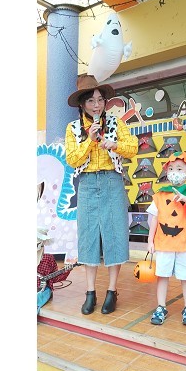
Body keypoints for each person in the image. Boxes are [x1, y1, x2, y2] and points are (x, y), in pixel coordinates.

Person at [65, 74, 138, 315]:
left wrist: (114, 144)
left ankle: (111, 291)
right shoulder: (73, 128)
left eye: (100, 100)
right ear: (82, 104)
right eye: (91, 101)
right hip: (87, 184)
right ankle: (90, 292)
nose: (97, 105)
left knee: (115, 234)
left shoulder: (117, 123)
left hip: (112, 181)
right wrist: (90, 140)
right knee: (88, 236)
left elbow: (133, 148)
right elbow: (72, 159)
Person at [146, 152, 186, 326]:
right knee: (162, 276)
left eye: (179, 169)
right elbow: (154, 219)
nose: (174, 172)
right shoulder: (160, 195)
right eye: (171, 169)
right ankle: (161, 307)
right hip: (163, 244)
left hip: (184, 245)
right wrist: (150, 241)